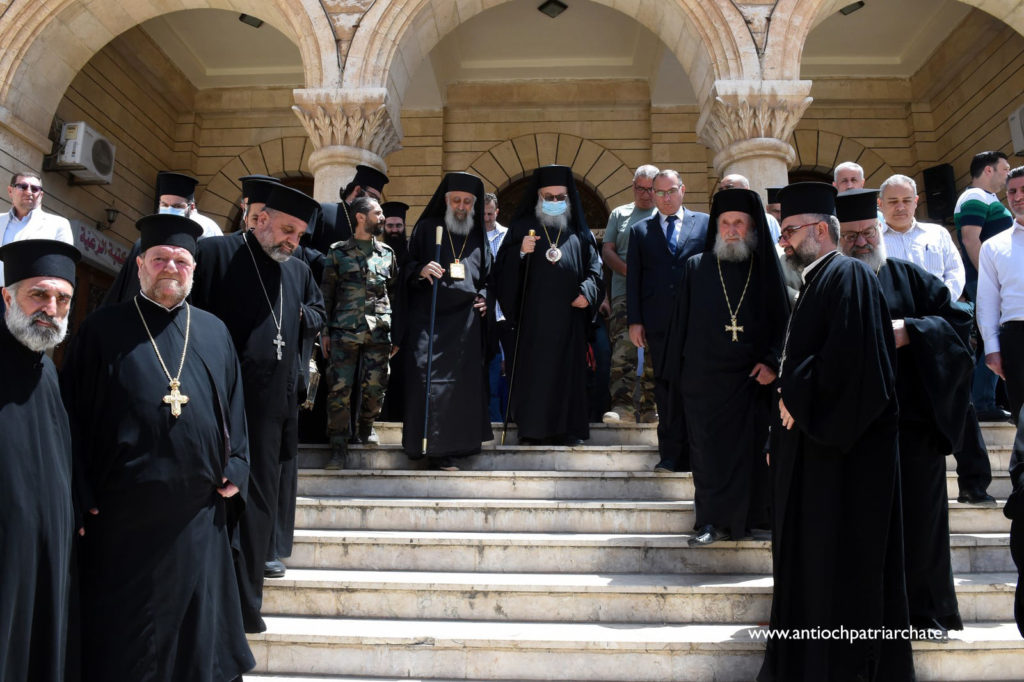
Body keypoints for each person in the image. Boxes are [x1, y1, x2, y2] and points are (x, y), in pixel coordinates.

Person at [60, 214, 254, 681]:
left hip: (196, 518)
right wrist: (79, 491)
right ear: (141, 265)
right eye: (160, 258)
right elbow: (71, 419)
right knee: (129, 644)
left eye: (181, 260)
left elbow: (235, 410)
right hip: (122, 521)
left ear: (194, 269)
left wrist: (238, 465)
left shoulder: (214, 332)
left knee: (195, 644)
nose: (171, 267)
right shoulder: (102, 330)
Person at [758, 182, 915, 682]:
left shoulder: (846, 276)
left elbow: (852, 367)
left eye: (788, 230)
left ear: (819, 229)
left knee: (840, 571)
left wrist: (793, 395)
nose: (782, 240)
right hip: (815, 454)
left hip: (840, 463)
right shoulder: (816, 281)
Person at [190, 183, 325, 631]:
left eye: (300, 235)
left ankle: (246, 609)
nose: (293, 241)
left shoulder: (298, 272)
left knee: (256, 512)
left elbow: (311, 317)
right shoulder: (211, 255)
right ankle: (201, 606)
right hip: (214, 408)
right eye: (287, 229)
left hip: (270, 412)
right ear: (259, 217)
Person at [838, 187, 972, 636]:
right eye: (851, 235)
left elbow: (959, 322)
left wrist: (911, 330)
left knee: (922, 524)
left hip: (913, 427)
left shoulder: (911, 278)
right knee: (863, 528)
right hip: (853, 432)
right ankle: (869, 617)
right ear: (838, 237)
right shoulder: (827, 284)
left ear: (880, 231)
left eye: (867, 232)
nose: (861, 242)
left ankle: (927, 613)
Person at [661, 188, 788, 545]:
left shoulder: (765, 270)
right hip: (704, 383)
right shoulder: (696, 267)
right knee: (708, 454)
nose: (732, 230)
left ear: (752, 228)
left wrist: (772, 361)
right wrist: (678, 377)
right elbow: (680, 327)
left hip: (752, 380)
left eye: (739, 224)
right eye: (725, 224)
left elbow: (784, 321)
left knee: (751, 451)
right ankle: (710, 522)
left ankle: (755, 518)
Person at [878, 173, 995, 505]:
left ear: (917, 201)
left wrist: (932, 313)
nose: (900, 207)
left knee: (961, 405)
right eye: (892, 201)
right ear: (880, 205)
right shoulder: (876, 240)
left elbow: (955, 276)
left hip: (938, 330)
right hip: (899, 336)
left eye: (906, 200)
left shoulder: (937, 233)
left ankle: (974, 483)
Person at [0, 239, 80, 682]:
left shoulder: (48, 370)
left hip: (48, 554)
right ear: (8, 296)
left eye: (62, 299)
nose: (50, 308)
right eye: (39, 294)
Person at [497, 165, 603, 445]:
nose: (554, 202)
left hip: (570, 320)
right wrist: (520, 252)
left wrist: (588, 292)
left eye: (560, 197)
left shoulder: (580, 231)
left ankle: (568, 431)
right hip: (533, 321)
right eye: (549, 197)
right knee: (536, 377)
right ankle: (533, 430)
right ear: (538, 197)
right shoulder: (521, 228)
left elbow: (596, 270)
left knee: (568, 377)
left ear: (568, 199)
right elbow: (501, 271)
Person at [394, 172, 491, 471]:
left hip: (465, 322)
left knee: (461, 387)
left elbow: (488, 274)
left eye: (467, 202)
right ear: (446, 201)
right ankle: (424, 447)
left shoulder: (477, 233)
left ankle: (457, 448)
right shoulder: (427, 228)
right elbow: (405, 267)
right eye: (456, 200)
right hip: (431, 319)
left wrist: (486, 295)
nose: (461, 207)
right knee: (427, 380)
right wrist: (421, 269)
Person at [626, 169, 709, 472]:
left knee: (697, 386)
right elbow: (634, 278)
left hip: (698, 322)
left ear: (683, 190)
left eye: (671, 191)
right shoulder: (640, 230)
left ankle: (700, 454)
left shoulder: (705, 224)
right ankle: (672, 455)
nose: (665, 198)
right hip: (659, 324)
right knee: (666, 389)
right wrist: (635, 321)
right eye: (658, 193)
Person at [321, 196, 397, 468]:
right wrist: (325, 332)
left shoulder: (387, 253)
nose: (382, 217)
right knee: (339, 390)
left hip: (379, 332)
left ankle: (366, 426)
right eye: (378, 213)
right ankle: (338, 447)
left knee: (376, 387)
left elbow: (393, 293)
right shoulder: (337, 251)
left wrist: (395, 331)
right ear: (360, 217)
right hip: (344, 329)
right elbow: (326, 295)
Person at [102, 170, 223, 305]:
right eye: (164, 205)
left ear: (191, 207)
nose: (170, 210)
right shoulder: (141, 244)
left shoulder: (204, 236)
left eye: (177, 206)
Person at [956, 150, 1013, 423]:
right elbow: (970, 240)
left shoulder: (986, 199)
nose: (1008, 173)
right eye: (1005, 168)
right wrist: (992, 279)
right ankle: (982, 402)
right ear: (988, 170)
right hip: (985, 281)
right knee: (995, 337)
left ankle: (990, 400)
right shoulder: (974, 197)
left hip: (993, 280)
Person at [602, 165, 658, 425]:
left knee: (655, 350)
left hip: (656, 294)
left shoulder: (664, 214)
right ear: (633, 186)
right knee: (623, 348)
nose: (645, 194)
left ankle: (651, 407)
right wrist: (631, 273)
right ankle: (622, 406)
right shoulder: (619, 214)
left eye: (650, 189)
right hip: (624, 292)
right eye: (640, 188)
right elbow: (608, 251)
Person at [979, 166, 1024, 422]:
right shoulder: (993, 246)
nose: (1017, 197)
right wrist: (992, 349)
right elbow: (987, 302)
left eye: (1023, 190)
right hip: (1017, 338)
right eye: (1012, 192)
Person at [0, 171, 74, 287]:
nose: (29, 192)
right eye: (22, 187)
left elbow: (62, 267)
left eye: (35, 189)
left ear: (41, 195)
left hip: (29, 296)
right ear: (10, 191)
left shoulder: (58, 225)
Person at [309, 164, 389, 256]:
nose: (375, 203)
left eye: (377, 201)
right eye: (372, 197)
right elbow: (304, 247)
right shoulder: (324, 211)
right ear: (357, 190)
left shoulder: (369, 225)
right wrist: (329, 263)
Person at [379, 200, 410, 423]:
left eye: (398, 226)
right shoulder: (377, 253)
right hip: (380, 327)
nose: (395, 230)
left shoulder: (411, 256)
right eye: (390, 226)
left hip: (407, 329)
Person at [483, 192, 512, 422]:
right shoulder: (471, 236)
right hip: (484, 313)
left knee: (509, 366)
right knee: (490, 366)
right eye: (482, 214)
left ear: (497, 212)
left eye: (490, 214)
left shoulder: (508, 236)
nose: (486, 218)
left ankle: (508, 417)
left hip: (506, 312)